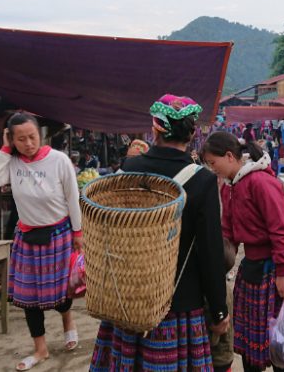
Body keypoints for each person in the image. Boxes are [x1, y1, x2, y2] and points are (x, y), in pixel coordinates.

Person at [90, 94, 229, 371]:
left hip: (130, 298)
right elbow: (211, 252)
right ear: (192, 133)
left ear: (155, 128)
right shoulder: (203, 181)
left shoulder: (127, 169)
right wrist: (219, 310)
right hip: (180, 302)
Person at [201, 131, 284, 372]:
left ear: (229, 156)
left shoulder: (261, 182)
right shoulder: (229, 187)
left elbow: (281, 230)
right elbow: (228, 234)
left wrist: (283, 274)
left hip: (279, 265)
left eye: (213, 163)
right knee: (253, 346)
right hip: (252, 268)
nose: (213, 169)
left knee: (282, 340)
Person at [0, 112, 82, 371]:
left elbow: (73, 198)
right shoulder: (12, 162)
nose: (28, 143)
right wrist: (4, 150)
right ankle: (41, 349)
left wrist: (78, 233)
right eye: (20, 139)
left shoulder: (58, 160)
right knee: (29, 298)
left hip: (59, 234)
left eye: (32, 137)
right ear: (12, 140)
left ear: (41, 134)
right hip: (26, 236)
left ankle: (67, 320)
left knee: (60, 292)